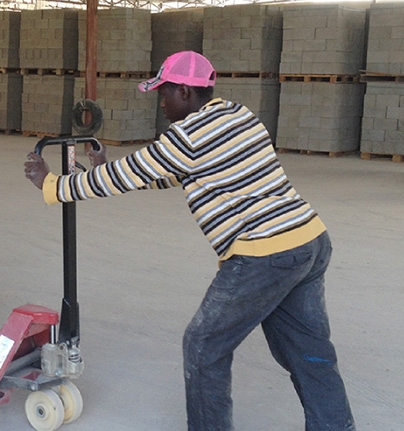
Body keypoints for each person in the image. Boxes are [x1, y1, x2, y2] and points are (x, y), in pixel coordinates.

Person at [24, 50, 355, 431]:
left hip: (264, 254)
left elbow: (125, 177)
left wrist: (51, 184)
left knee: (204, 346)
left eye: (164, 93)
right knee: (310, 352)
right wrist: (107, 166)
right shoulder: (237, 114)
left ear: (184, 91)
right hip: (309, 241)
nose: (161, 103)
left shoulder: (187, 134)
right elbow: (177, 172)